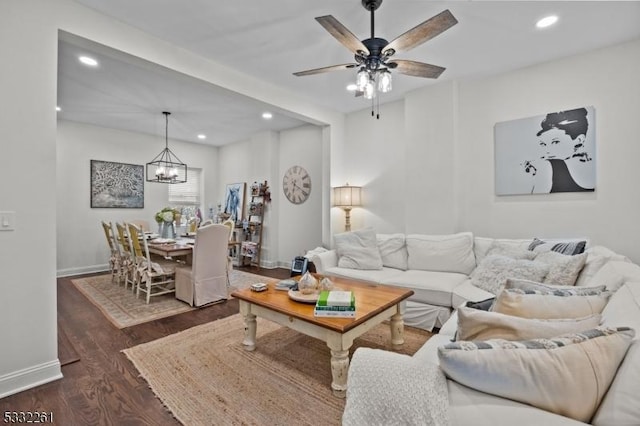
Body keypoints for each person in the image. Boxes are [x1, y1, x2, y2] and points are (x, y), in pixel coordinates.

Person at [524, 107, 594, 193]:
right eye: (543, 144)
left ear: (579, 140)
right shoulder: (543, 166)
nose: (547, 150)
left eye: (555, 142)